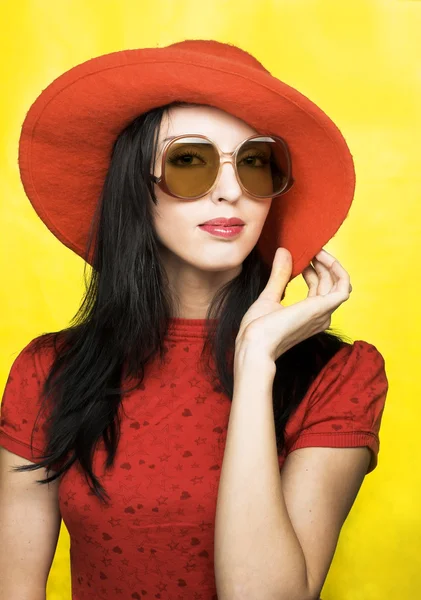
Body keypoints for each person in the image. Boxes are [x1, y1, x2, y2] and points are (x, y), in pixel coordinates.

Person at [0, 40, 388, 600]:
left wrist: (256, 363)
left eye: (254, 163)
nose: (231, 190)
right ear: (134, 186)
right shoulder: (48, 372)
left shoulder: (340, 376)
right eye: (189, 161)